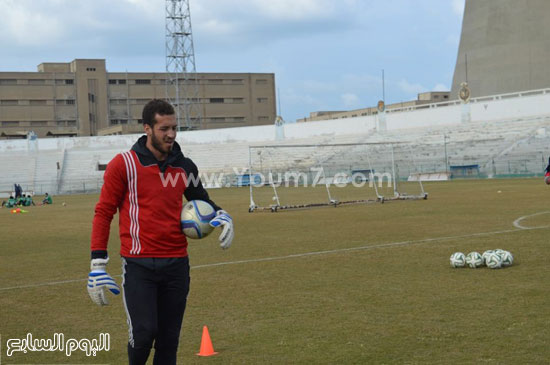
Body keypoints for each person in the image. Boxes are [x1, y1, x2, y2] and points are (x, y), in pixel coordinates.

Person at [87, 99, 234, 365]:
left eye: (174, 128)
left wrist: (222, 214)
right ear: (148, 129)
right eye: (164, 128)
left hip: (177, 265)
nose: (171, 134)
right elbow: (104, 213)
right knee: (143, 335)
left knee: (169, 341)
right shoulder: (124, 165)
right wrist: (98, 264)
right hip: (139, 265)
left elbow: (201, 199)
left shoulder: (185, 166)